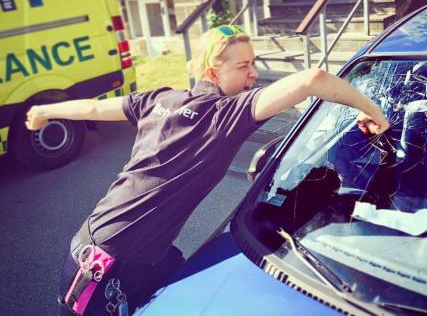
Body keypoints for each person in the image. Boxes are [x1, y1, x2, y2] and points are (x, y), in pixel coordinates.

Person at [25, 25, 389, 315]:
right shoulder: (223, 116)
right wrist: (373, 112)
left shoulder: (156, 99)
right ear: (214, 71)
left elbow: (91, 109)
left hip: (99, 240)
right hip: (106, 267)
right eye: (243, 66)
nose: (253, 74)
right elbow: (313, 79)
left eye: (253, 62)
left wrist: (44, 112)